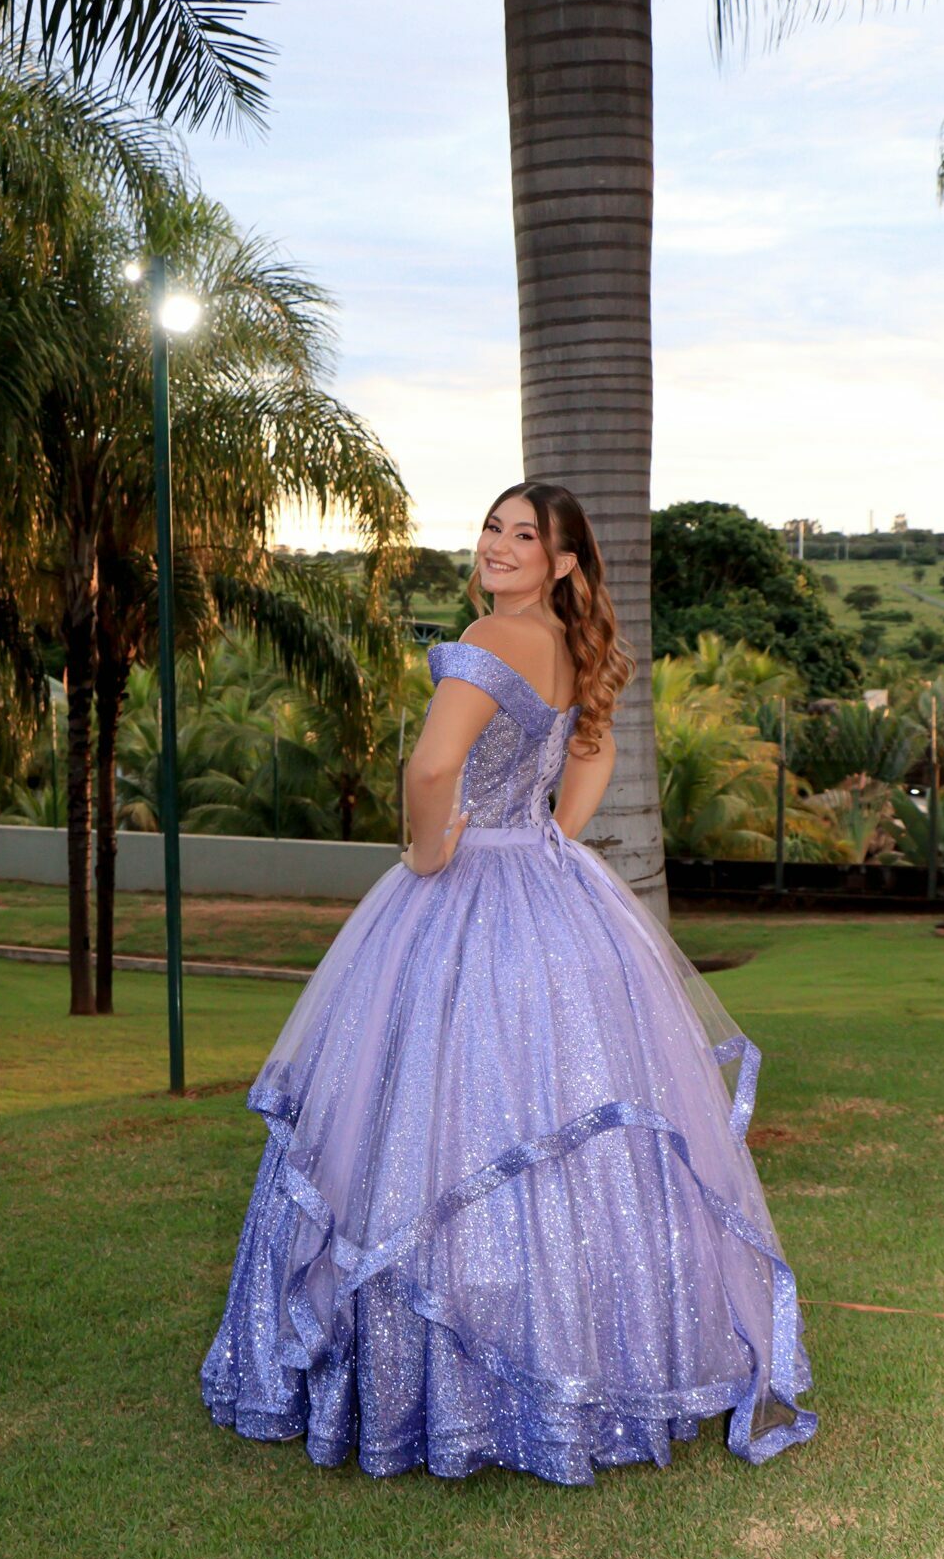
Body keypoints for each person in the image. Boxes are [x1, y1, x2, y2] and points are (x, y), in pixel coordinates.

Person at [200, 481, 817, 1486]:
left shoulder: (491, 637)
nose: (497, 545)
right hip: (549, 891)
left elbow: (431, 767)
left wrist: (428, 852)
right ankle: (592, 1363)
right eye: (493, 526)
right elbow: (590, 755)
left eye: (523, 536)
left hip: (465, 887)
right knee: (562, 1120)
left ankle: (444, 1382)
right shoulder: (575, 647)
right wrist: (545, 840)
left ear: (562, 562)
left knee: (430, 1112)